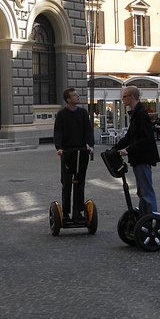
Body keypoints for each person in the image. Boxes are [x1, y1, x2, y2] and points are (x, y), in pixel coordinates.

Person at [112, 86, 160, 215]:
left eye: (124, 97)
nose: (122, 99)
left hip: (142, 157)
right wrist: (115, 148)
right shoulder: (136, 114)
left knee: (146, 191)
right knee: (142, 191)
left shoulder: (140, 114)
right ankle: (145, 217)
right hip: (139, 158)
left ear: (131, 97)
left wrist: (127, 150)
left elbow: (145, 139)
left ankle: (152, 220)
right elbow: (129, 136)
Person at [53, 88, 95, 222]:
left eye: (77, 95)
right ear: (68, 100)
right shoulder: (61, 114)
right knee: (66, 184)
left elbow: (88, 130)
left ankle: (78, 212)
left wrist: (91, 145)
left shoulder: (83, 113)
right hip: (67, 152)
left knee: (80, 183)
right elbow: (58, 132)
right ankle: (65, 213)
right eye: (74, 95)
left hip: (82, 151)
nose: (78, 96)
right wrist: (59, 148)